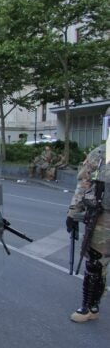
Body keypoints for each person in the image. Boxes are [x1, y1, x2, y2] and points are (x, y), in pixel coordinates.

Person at [66, 108, 110, 323]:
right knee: (95, 263)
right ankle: (90, 306)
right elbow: (84, 184)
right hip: (103, 218)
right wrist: (73, 212)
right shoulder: (100, 154)